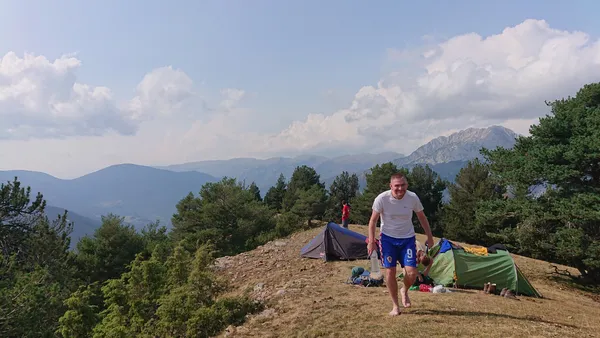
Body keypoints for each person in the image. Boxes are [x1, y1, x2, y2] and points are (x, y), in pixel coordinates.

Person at [367, 172, 434, 316]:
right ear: (391, 186)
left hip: (407, 239)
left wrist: (429, 236)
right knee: (390, 271)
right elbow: (372, 221)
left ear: (407, 185)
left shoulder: (412, 197)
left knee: (412, 272)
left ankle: (404, 290)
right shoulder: (382, 199)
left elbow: (422, 217)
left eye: (403, 185)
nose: (400, 189)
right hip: (388, 240)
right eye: (396, 186)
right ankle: (395, 306)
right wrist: (371, 242)